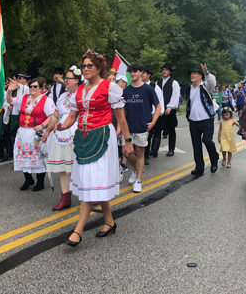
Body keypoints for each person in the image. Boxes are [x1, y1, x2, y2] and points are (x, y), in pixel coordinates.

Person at [55, 49, 133, 247]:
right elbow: (73, 116)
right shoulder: (80, 90)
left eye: (90, 65)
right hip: (83, 137)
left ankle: (78, 230)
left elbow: (121, 117)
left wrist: (128, 141)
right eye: (83, 66)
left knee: (91, 182)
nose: (86, 69)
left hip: (102, 137)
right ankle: (109, 221)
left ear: (99, 68)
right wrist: (63, 126)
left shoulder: (110, 87)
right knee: (93, 181)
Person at [42, 66, 82, 210]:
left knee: (80, 165)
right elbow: (56, 115)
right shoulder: (63, 96)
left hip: (78, 132)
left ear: (77, 80)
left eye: (68, 79)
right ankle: (65, 197)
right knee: (64, 167)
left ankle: (89, 195)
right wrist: (47, 131)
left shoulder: (83, 94)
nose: (65, 81)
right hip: (62, 134)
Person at [6, 77, 54, 191]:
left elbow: (52, 116)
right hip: (23, 131)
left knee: (38, 156)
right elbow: (11, 101)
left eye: (35, 86)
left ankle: (40, 181)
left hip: (36, 132)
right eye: (30, 86)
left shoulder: (46, 100)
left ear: (41, 88)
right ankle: (28, 179)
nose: (32, 88)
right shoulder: (24, 98)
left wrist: (42, 126)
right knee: (23, 155)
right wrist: (9, 91)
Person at [123, 63, 161, 193]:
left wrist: (153, 121)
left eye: (135, 71)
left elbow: (158, 106)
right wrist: (119, 127)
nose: (132, 73)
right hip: (128, 127)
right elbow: (122, 111)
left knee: (139, 153)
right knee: (126, 152)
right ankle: (137, 168)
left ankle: (138, 179)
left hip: (142, 126)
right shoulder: (126, 91)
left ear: (141, 73)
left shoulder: (148, 89)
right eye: (130, 72)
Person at [185, 64, 219, 175]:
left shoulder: (206, 86)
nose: (192, 75)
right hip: (193, 121)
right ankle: (199, 167)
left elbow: (213, 82)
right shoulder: (189, 89)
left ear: (201, 76)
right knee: (196, 144)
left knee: (207, 140)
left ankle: (214, 159)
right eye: (191, 74)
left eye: (195, 73)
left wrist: (207, 73)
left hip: (206, 119)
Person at [153, 63, 180, 157]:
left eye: (166, 70)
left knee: (171, 129)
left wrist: (169, 107)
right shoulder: (157, 83)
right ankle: (154, 150)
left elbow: (175, 96)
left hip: (169, 110)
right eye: (163, 70)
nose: (164, 71)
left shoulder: (174, 82)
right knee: (157, 129)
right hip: (160, 110)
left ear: (170, 72)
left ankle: (171, 149)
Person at [2, 71, 30, 161]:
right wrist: (8, 106)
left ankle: (18, 155)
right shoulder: (13, 89)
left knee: (17, 136)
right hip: (11, 115)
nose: (19, 80)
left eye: (22, 78)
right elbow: (7, 101)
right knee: (7, 133)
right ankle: (10, 153)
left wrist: (17, 85)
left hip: (20, 116)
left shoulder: (26, 88)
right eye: (19, 78)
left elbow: (25, 98)